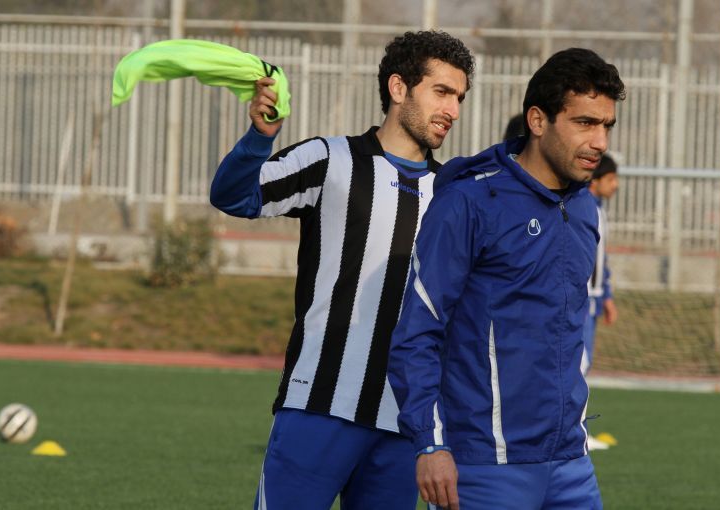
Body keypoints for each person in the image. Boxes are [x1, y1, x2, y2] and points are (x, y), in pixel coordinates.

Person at [209, 31, 474, 510]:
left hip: (402, 423)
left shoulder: (455, 195)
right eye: (442, 92)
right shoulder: (330, 158)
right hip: (318, 405)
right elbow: (233, 196)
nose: (452, 109)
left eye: (459, 97)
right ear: (398, 88)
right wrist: (260, 138)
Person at [388, 47, 625, 510]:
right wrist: (430, 443)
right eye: (584, 123)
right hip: (484, 465)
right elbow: (418, 332)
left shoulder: (584, 207)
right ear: (537, 120)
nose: (600, 141)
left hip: (570, 463)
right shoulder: (469, 202)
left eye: (606, 126)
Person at [582, 153, 620, 376]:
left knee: (584, 362)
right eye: (611, 179)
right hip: (581, 298)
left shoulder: (599, 209)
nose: (616, 185)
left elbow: (601, 259)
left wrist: (606, 296)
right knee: (579, 363)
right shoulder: (583, 208)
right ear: (594, 180)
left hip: (593, 297)